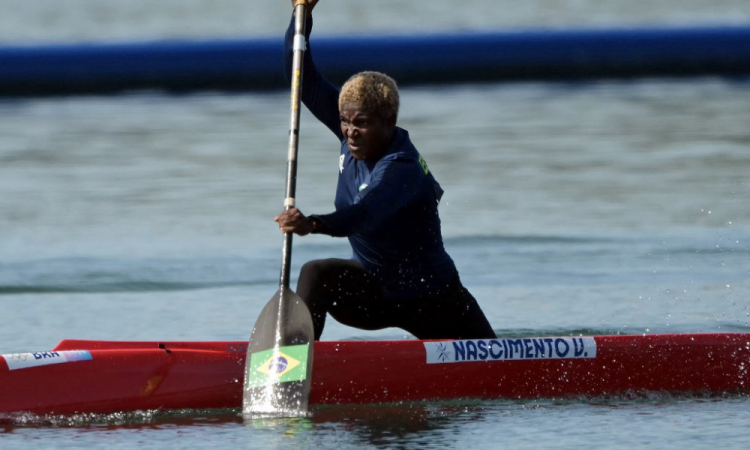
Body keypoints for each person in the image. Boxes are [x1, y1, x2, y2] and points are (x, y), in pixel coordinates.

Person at [275, 0, 496, 341]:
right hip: (373, 293)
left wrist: (312, 224)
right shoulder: (350, 132)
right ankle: (294, 364)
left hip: (433, 300)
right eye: (346, 122)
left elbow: (365, 213)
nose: (349, 131)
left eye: (361, 124)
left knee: (494, 373)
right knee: (316, 273)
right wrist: (301, 15)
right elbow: (301, 80)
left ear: (388, 122)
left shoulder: (401, 167)